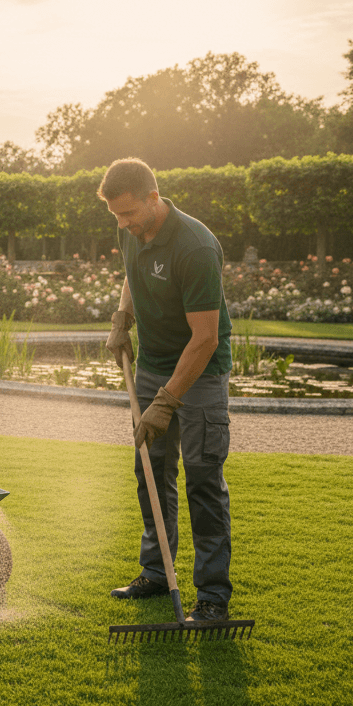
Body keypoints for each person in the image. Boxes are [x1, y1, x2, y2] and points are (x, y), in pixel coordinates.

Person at [100, 158, 235, 623]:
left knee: (203, 481)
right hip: (152, 366)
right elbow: (132, 275)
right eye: (116, 215)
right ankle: (157, 573)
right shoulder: (130, 231)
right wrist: (124, 317)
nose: (122, 224)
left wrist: (165, 401)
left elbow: (206, 339)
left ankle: (213, 597)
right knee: (151, 473)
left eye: (128, 214)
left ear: (153, 198)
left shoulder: (196, 247)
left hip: (200, 375)